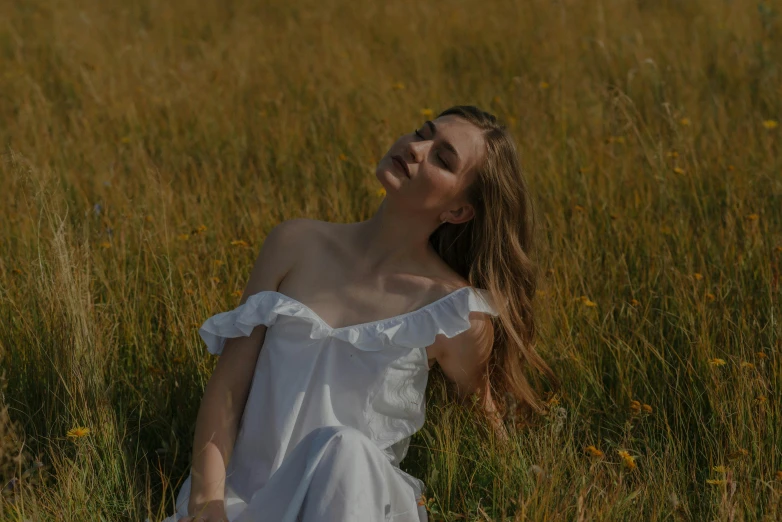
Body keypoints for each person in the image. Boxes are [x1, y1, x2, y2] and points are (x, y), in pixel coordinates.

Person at [163, 105, 559, 522]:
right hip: (251, 502)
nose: (416, 148)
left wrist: (534, 492)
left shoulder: (454, 311)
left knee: (344, 449)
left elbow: (484, 417)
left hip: (361, 504)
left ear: (458, 211)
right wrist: (208, 505)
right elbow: (229, 386)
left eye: (442, 158)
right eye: (421, 132)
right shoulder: (295, 244)